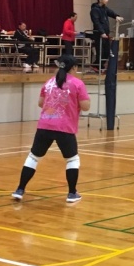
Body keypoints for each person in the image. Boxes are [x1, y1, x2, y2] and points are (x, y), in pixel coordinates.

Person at [11, 55, 91, 202]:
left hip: (45, 125)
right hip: (65, 127)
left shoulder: (49, 82)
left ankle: (20, 189)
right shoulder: (77, 83)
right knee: (72, 160)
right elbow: (85, 106)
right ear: (74, 67)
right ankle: (72, 193)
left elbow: (41, 103)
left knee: (33, 157)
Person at [89, 0, 123, 68]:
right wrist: (102, 32)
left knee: (107, 51)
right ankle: (97, 66)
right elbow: (96, 22)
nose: (107, 0)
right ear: (100, 0)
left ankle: (98, 65)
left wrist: (116, 16)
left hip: (106, 34)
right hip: (99, 34)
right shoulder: (94, 10)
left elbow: (111, 12)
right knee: (100, 51)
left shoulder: (104, 9)